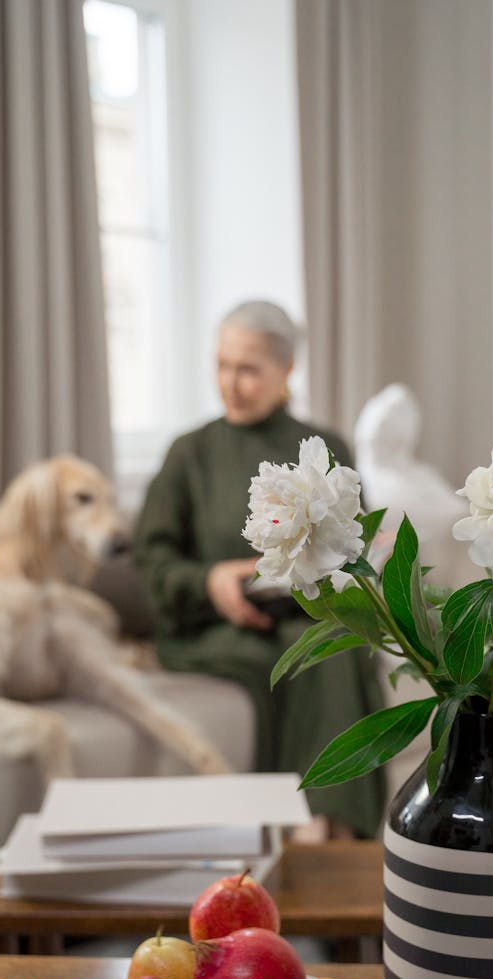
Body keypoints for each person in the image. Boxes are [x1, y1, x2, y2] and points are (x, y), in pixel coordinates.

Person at [133, 299, 386, 839]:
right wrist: (209, 581)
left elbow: (352, 548)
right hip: (209, 628)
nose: (229, 383)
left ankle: (317, 832)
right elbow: (152, 562)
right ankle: (324, 830)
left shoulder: (324, 448)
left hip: (302, 614)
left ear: (287, 370)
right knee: (316, 652)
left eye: (247, 369)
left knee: (333, 644)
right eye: (221, 365)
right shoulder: (189, 454)